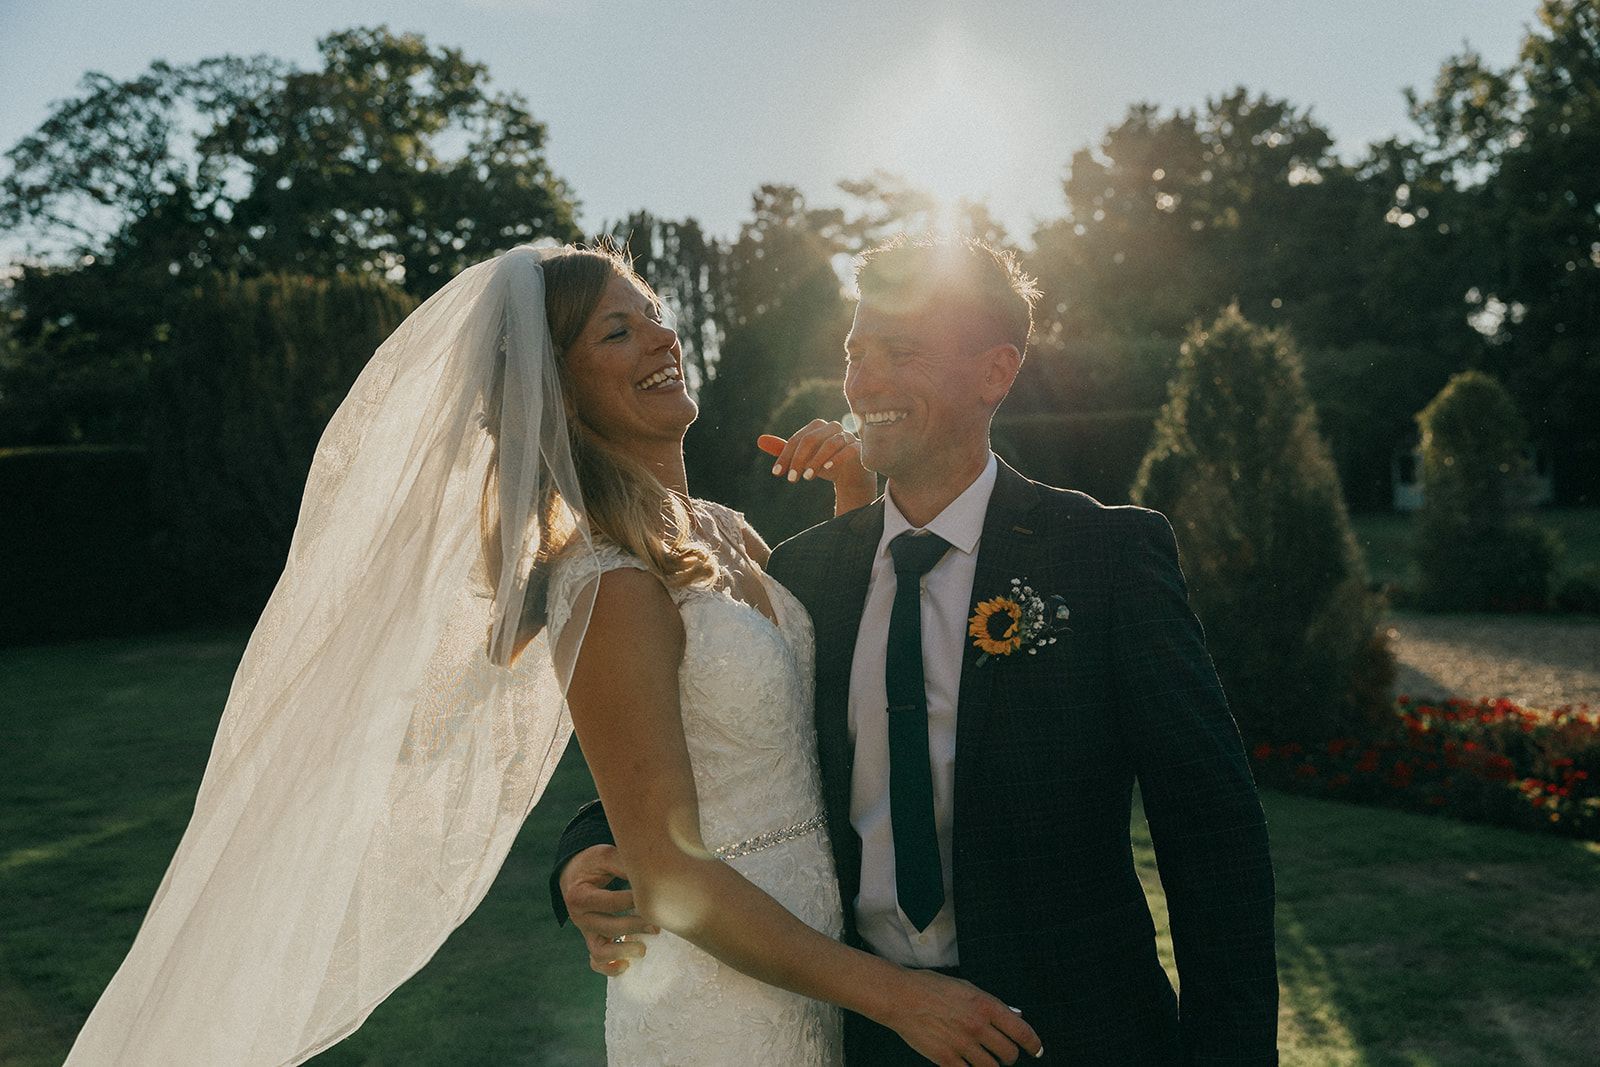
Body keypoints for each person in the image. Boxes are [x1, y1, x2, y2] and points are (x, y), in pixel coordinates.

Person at [63, 242, 1040, 1067]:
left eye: (653, 314)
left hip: (814, 977)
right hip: (722, 1000)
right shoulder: (609, 584)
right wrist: (896, 995)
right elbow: (669, 873)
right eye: (618, 331)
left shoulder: (731, 533)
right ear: (557, 393)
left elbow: (809, 718)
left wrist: (846, 511)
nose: (661, 336)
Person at [554, 236, 1280, 1064]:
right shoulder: (809, 572)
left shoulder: (1106, 557)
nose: (866, 382)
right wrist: (581, 850)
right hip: (864, 1034)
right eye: (857, 353)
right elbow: (727, 746)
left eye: (902, 352)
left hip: (1078, 1035)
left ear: (995, 373)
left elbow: (1212, 836)